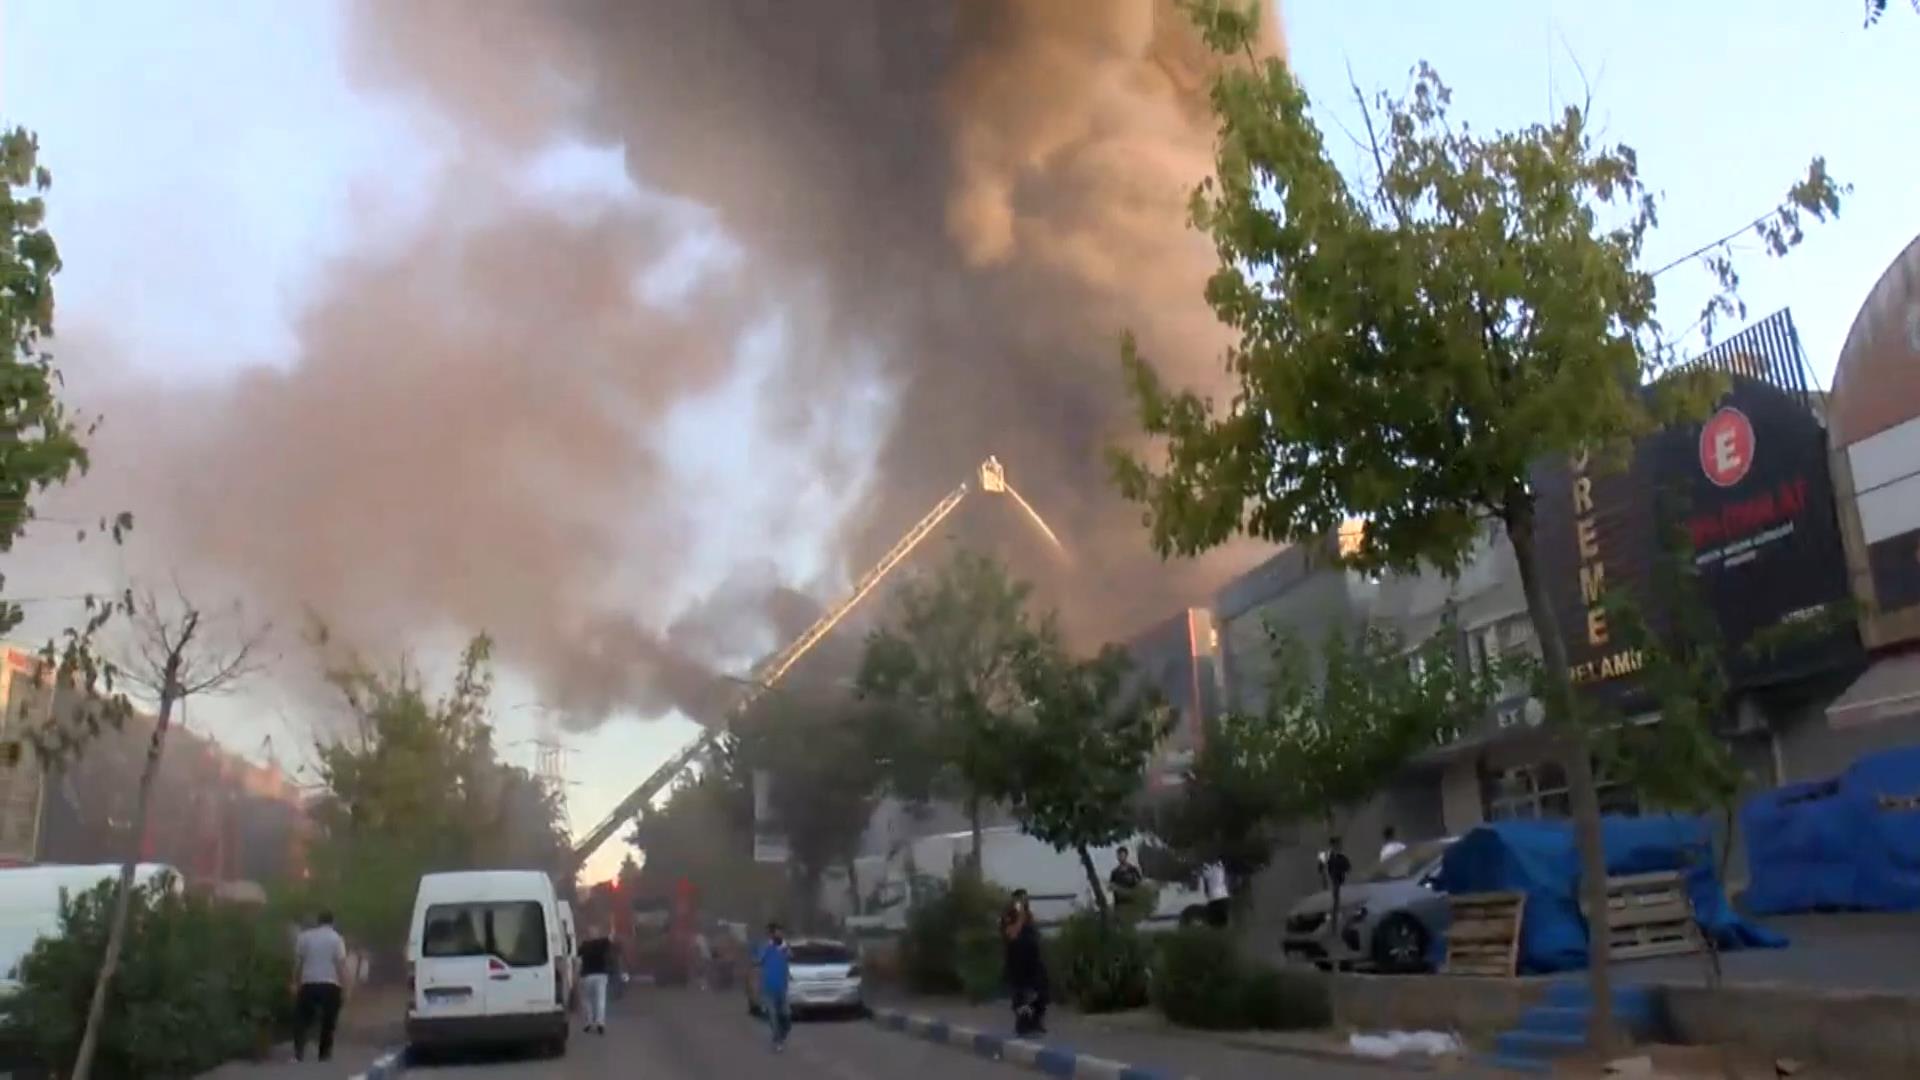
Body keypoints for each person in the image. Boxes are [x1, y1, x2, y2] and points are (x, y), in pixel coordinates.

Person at [291, 909, 348, 1063]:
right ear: (332, 922)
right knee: (328, 1021)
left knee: (302, 1019)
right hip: (330, 984)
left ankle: (298, 1053)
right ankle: (324, 1053)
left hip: (308, 983)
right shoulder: (336, 939)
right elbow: (340, 964)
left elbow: (298, 963)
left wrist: (294, 983)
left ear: (318, 921)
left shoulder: (305, 937)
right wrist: (345, 987)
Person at [1000, 889, 1049, 1037]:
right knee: (1020, 994)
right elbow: (1011, 934)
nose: (1023, 903)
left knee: (1041, 991)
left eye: (1025, 900)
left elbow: (1035, 934)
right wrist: (1020, 917)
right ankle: (1023, 1024)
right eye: (1020, 900)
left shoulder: (1029, 916)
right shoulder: (1009, 916)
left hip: (1033, 960)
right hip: (1017, 961)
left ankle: (1036, 1021)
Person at [754, 922, 793, 1052]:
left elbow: (790, 957)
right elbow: (759, 961)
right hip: (769, 988)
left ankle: (781, 1036)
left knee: (786, 1018)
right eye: (777, 932)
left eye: (781, 932)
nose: (779, 934)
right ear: (771, 934)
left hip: (782, 988)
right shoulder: (765, 947)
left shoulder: (785, 947)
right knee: (773, 1017)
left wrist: (784, 949)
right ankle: (777, 1041)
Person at [1200, 861, 1231, 928]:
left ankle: (1218, 925)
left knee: (1216, 913)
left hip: (1215, 897)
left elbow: (1206, 884)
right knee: (1221, 913)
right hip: (1223, 895)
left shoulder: (1207, 868)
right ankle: (1222, 925)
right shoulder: (1221, 867)